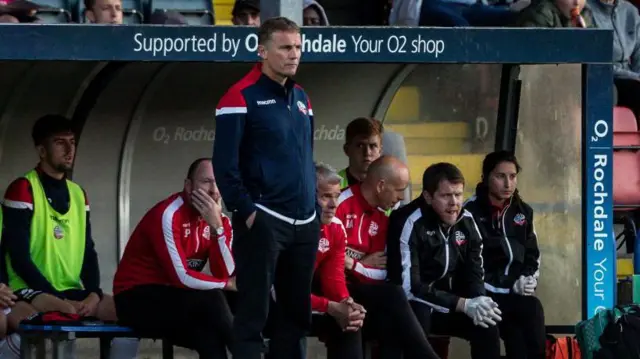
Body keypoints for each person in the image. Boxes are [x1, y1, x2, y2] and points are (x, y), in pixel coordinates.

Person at [212, 17, 320, 359]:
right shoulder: (238, 96)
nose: (294, 55)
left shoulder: (303, 97)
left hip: (304, 223)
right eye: (285, 47)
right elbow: (224, 166)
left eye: (298, 47)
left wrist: (314, 211)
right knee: (253, 316)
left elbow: (306, 158)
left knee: (295, 316)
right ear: (263, 50)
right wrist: (246, 212)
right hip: (264, 221)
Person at [0, 114, 138, 358]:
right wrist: (57, 298)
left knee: (129, 313)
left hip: (69, 289)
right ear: (42, 150)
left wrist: (94, 292)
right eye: (59, 142)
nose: (69, 149)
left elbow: (88, 251)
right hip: (32, 289)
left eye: (72, 142)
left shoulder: (78, 194)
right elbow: (19, 257)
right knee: (50, 320)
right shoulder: (23, 189)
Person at [113, 158, 236, 358]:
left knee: (211, 330)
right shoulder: (168, 214)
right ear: (188, 186)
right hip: (136, 298)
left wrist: (217, 230)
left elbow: (225, 272)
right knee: (214, 297)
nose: (214, 190)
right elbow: (182, 277)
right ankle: (246, 351)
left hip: (179, 297)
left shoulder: (220, 221)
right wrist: (225, 284)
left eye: (218, 181)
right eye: (206, 182)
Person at [386, 162, 503, 359]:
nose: (454, 203)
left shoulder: (466, 220)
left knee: (487, 323)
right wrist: (463, 304)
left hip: (446, 301)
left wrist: (478, 300)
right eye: (446, 196)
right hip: (409, 304)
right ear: (428, 196)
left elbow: (474, 271)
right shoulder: (408, 221)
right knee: (419, 314)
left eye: (458, 195)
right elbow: (409, 287)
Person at [335, 155, 440, 359]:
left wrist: (353, 265)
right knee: (387, 299)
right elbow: (326, 261)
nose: (402, 197)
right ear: (381, 185)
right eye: (399, 189)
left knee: (392, 308)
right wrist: (358, 264)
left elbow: (381, 272)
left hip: (359, 289)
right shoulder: (339, 203)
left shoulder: (385, 216)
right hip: (332, 289)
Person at [266, 163, 366, 359]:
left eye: (336, 196)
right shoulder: (284, 229)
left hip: (306, 300)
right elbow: (282, 294)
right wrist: (330, 306)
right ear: (306, 197)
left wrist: (346, 302)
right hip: (273, 304)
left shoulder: (336, 228)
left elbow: (334, 277)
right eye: (326, 197)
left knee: (350, 322)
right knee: (292, 319)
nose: (334, 205)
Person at [464, 151, 545, 359]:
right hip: (484, 294)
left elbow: (532, 253)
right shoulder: (469, 212)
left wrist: (528, 279)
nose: (508, 184)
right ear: (486, 177)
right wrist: (491, 289)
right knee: (520, 315)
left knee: (526, 321)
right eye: (500, 176)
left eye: (512, 176)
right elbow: (468, 264)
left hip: (514, 292)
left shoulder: (523, 211)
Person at [338, 117, 384, 191]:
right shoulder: (333, 185)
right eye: (360, 146)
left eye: (373, 146)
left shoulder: (388, 186)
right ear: (347, 150)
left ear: (380, 151)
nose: (367, 153)